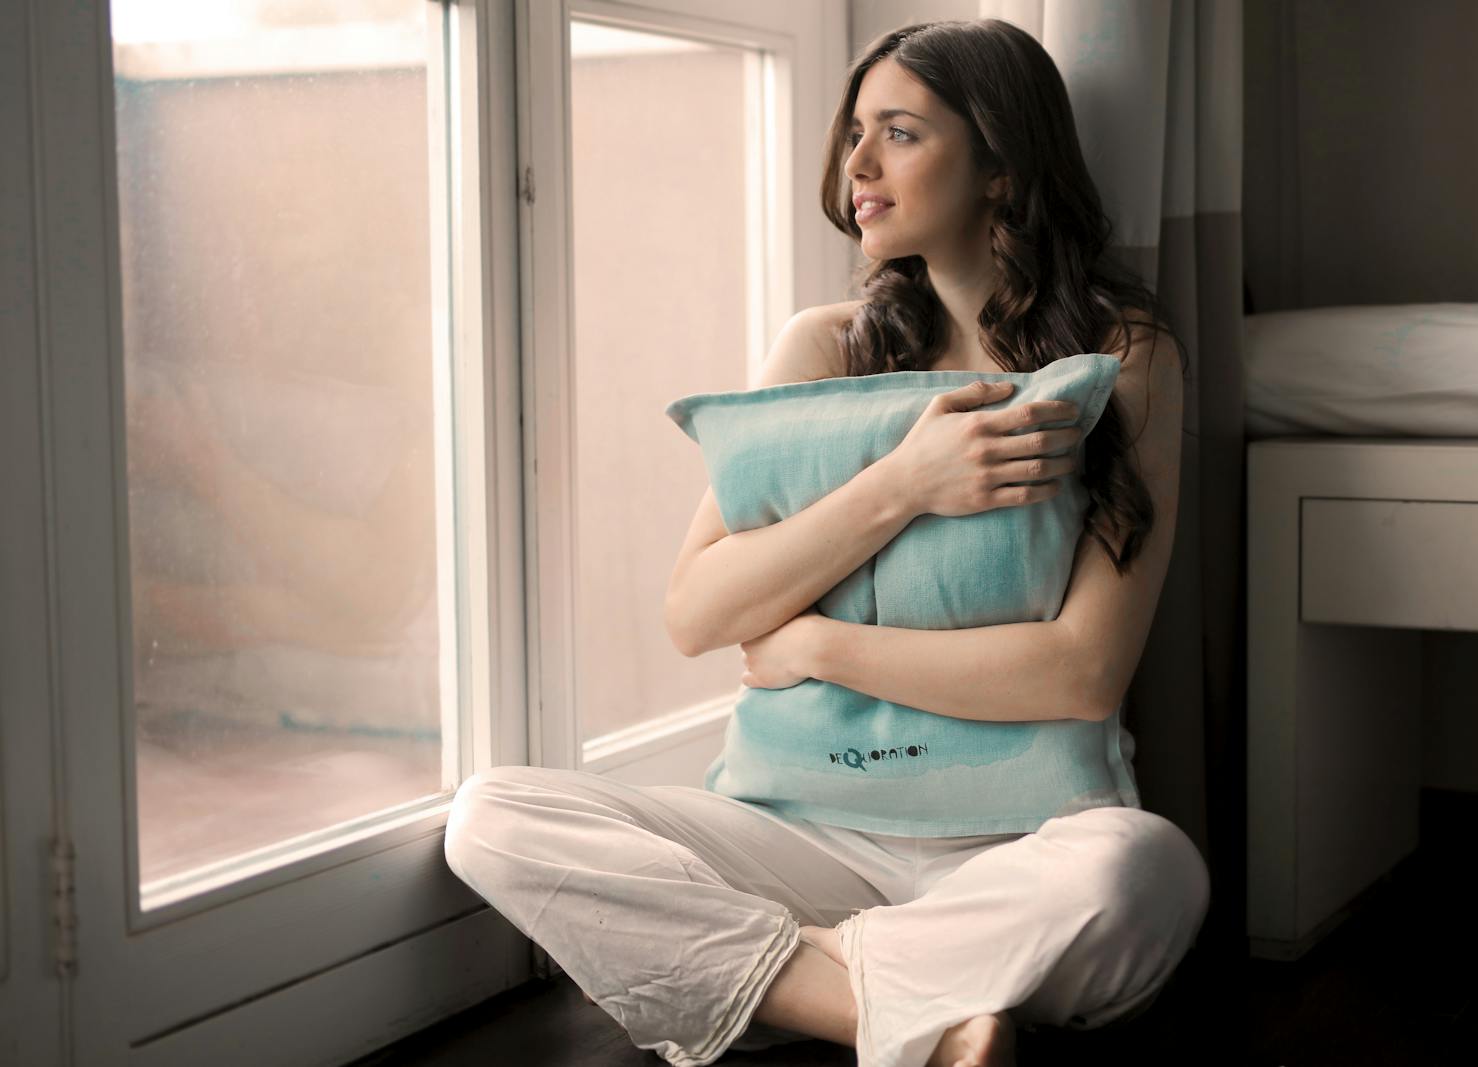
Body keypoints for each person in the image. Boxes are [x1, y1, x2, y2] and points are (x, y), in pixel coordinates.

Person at [443, 18, 1207, 1067]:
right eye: (855, 132)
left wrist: (817, 648)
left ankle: (787, 974)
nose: (855, 165)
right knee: (492, 814)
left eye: (897, 132)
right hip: (796, 836)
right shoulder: (823, 347)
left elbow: (1080, 673)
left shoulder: (1124, 356)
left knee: (1146, 869)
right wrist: (903, 482)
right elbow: (696, 611)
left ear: (998, 166)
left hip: (1017, 848)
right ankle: (908, 1014)